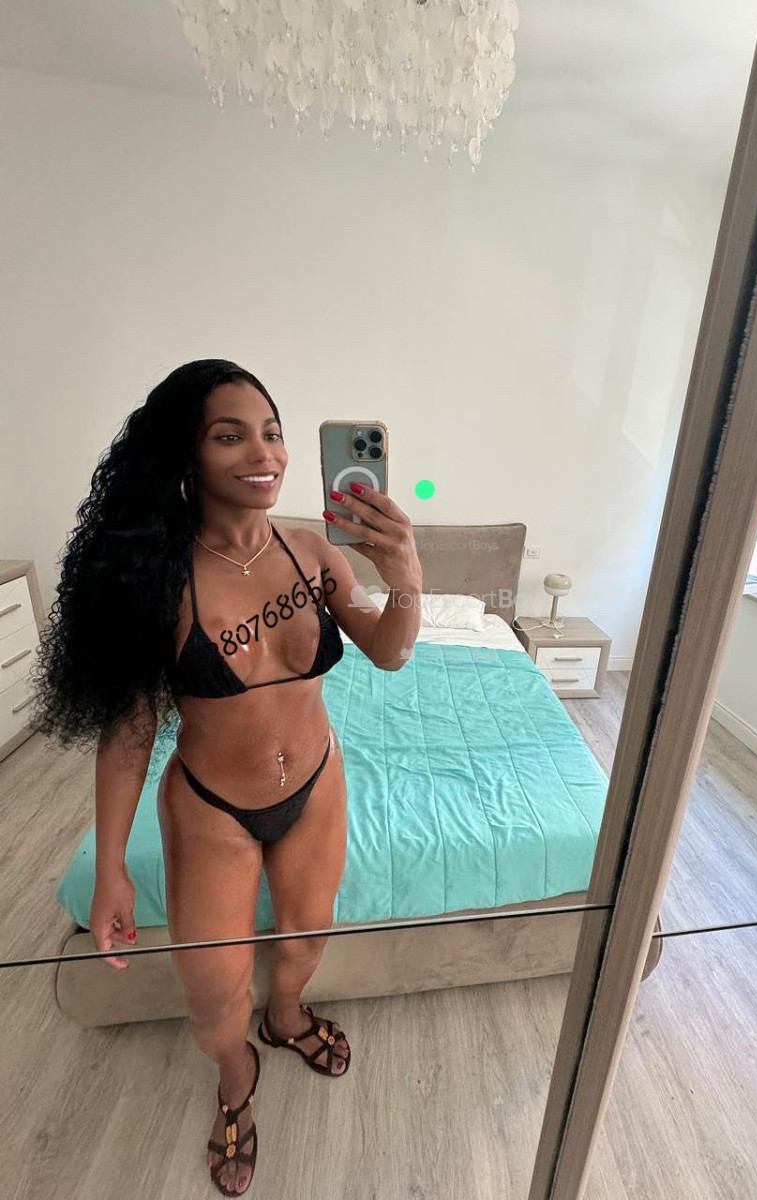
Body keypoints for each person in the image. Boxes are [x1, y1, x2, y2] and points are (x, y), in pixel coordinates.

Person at [32, 360, 423, 1195]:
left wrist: (408, 581)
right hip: (212, 807)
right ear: (188, 454)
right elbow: (130, 733)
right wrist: (110, 869)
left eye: (273, 433)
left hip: (315, 783)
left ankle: (285, 1017)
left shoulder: (313, 551)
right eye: (230, 435)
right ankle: (236, 1075)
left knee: (306, 938)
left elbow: (389, 652)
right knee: (212, 1000)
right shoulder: (160, 576)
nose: (264, 453)